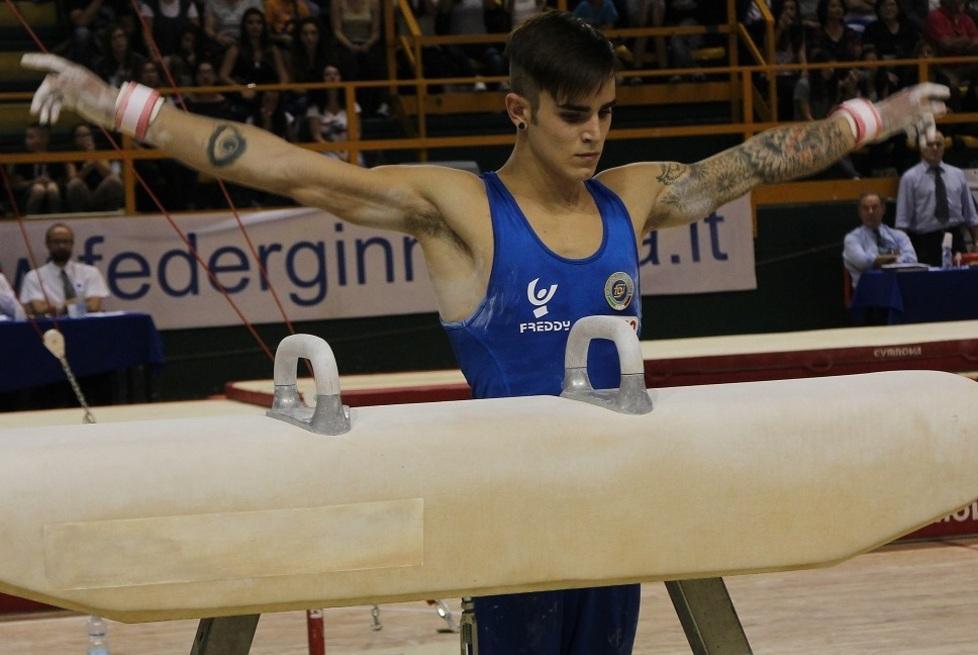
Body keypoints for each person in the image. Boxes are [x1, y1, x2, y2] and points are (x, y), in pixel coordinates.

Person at [21, 11, 948, 653]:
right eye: (573, 116)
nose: (593, 136)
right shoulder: (463, 209)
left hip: (625, 508)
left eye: (607, 116)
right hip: (515, 517)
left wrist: (869, 118)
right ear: (520, 109)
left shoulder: (633, 195)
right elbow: (296, 171)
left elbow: (752, 163)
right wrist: (123, 106)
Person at [895, 132, 978, 265]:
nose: (934, 148)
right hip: (925, 242)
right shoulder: (909, 178)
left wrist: (976, 241)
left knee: (961, 283)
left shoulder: (957, 174)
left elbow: (970, 214)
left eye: (938, 144)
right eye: (930, 145)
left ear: (944, 148)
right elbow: (902, 221)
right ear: (922, 148)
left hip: (955, 238)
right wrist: (901, 249)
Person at [19, 224, 109, 317]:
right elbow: (39, 308)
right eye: (56, 242)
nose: (61, 246)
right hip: (50, 328)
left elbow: (94, 306)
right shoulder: (34, 276)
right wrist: (74, 305)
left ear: (72, 244)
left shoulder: (90, 272)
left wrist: (56, 307)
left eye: (66, 242)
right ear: (47, 244)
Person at [843, 190, 917, 288]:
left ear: (883, 209)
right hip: (868, 291)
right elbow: (863, 262)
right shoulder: (852, 239)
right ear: (860, 212)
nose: (870, 212)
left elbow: (912, 259)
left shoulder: (899, 236)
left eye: (875, 207)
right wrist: (894, 258)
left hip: (899, 288)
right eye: (865, 208)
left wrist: (878, 261)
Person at [9, 124, 68, 215]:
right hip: (26, 196)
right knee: (39, 189)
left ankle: (56, 216)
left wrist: (50, 181)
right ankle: (31, 218)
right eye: (29, 137)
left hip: (53, 190)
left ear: (46, 138)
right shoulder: (21, 157)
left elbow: (63, 181)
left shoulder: (55, 156)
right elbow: (17, 184)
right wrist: (35, 181)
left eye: (32, 137)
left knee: (52, 188)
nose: (29, 140)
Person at [66, 123, 124, 212]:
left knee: (114, 181)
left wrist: (94, 158)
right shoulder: (71, 156)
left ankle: (111, 213)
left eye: (87, 135)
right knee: (75, 184)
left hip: (101, 194)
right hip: (83, 195)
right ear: (74, 139)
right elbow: (72, 180)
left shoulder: (102, 153)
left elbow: (110, 175)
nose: (85, 138)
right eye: (80, 136)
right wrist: (88, 166)